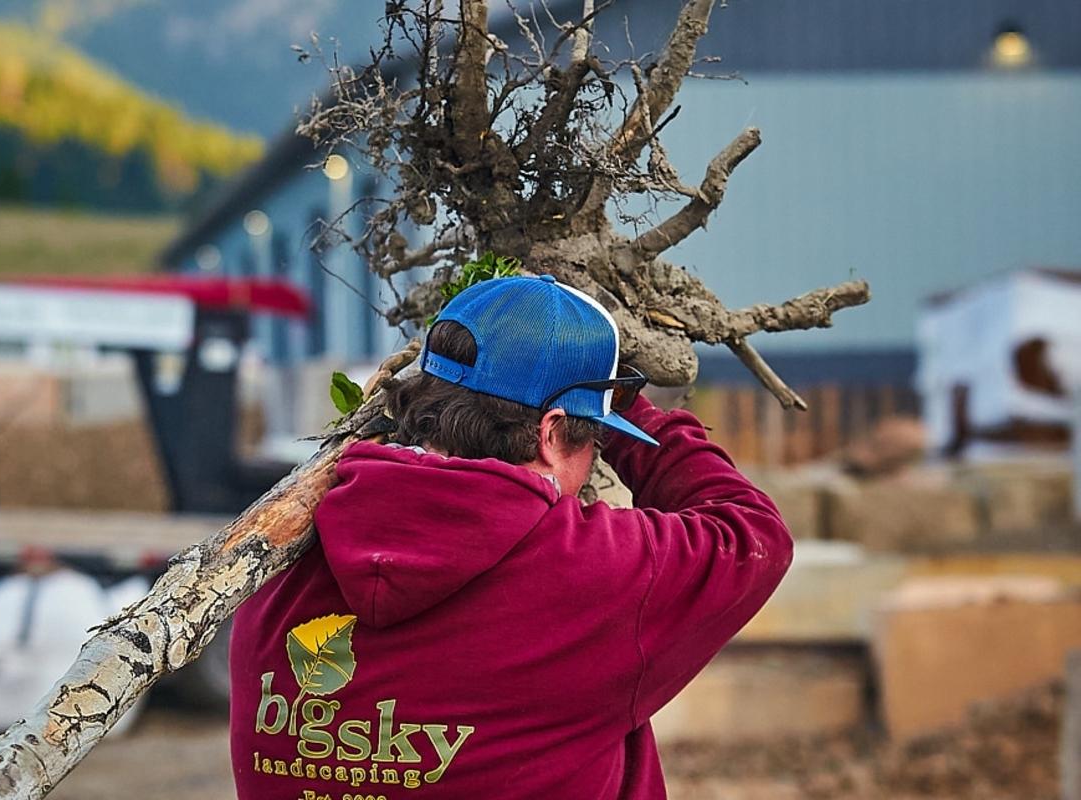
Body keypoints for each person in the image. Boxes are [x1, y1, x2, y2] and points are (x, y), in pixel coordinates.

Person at [229, 274, 793, 799]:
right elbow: (753, 533)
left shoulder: (275, 572)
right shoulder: (596, 572)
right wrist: (634, 418)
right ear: (552, 434)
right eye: (595, 438)